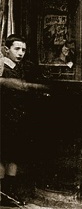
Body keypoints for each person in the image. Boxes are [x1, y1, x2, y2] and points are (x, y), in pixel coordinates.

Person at [0, 34, 47, 206]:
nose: (20, 53)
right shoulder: (1, 65)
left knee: (14, 154)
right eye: (17, 49)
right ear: (7, 49)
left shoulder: (24, 67)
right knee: (3, 155)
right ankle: (3, 192)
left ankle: (9, 191)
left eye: (24, 50)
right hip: (3, 115)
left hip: (17, 117)